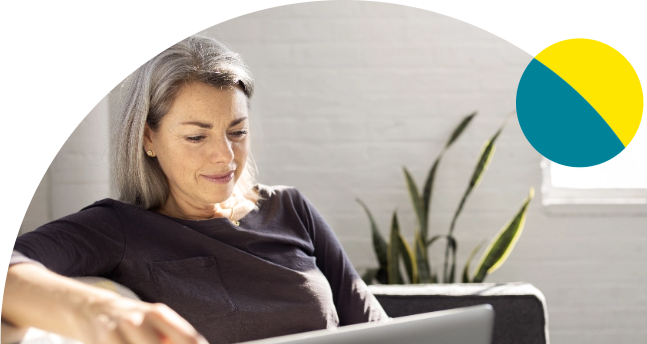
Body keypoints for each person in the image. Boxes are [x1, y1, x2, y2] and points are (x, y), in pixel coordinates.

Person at [2, 34, 389, 344]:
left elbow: (377, 329)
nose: (225, 156)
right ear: (147, 138)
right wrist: (97, 309)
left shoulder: (290, 208)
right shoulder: (119, 227)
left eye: (237, 132)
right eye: (195, 137)